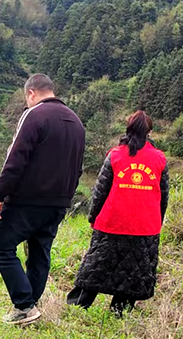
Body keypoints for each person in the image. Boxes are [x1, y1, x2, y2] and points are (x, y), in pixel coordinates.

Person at [0, 74, 85, 325]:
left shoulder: (34, 115)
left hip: (26, 200)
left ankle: (24, 305)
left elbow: (16, 157)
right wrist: (66, 196)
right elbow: (78, 168)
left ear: (31, 92)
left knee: (1, 246)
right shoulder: (77, 122)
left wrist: (0, 194)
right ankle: (29, 307)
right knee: (39, 253)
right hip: (58, 202)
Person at [67, 111, 169, 316]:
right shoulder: (159, 159)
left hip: (111, 222)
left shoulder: (115, 155)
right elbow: (163, 195)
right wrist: (158, 220)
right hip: (145, 227)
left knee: (96, 266)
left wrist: (93, 217)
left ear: (127, 129)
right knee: (135, 271)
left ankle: (77, 306)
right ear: (149, 132)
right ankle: (119, 312)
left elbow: (100, 191)